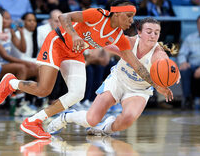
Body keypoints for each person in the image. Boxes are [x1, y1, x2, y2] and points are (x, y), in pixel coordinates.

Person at [0, 0, 173, 139]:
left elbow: (137, 65)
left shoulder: (119, 38)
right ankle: (12, 83)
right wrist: (73, 35)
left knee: (77, 94)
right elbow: (63, 17)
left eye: (132, 17)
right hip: (57, 43)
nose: (131, 21)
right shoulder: (97, 15)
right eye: (128, 16)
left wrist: (157, 85)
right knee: (43, 90)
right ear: (116, 14)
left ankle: (34, 121)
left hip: (75, 53)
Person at [47, 17, 177, 136]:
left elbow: (170, 70)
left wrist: (174, 77)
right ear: (139, 32)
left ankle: (105, 128)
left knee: (127, 119)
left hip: (139, 90)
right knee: (91, 120)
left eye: (156, 32)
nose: (153, 36)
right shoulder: (128, 42)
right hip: (117, 81)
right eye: (149, 31)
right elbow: (104, 43)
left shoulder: (159, 55)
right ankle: (66, 117)